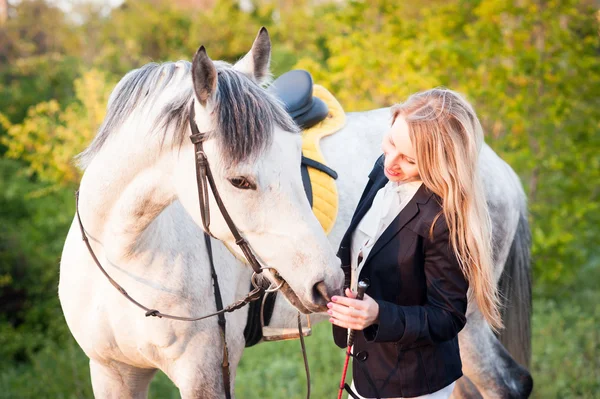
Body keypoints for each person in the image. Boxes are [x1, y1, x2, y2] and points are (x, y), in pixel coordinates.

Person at [328, 88, 503, 399]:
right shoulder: (384, 171)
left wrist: (378, 314)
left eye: (410, 160)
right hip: (371, 368)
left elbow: (447, 316)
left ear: (440, 162)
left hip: (412, 383)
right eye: (392, 142)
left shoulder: (443, 220)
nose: (391, 163)